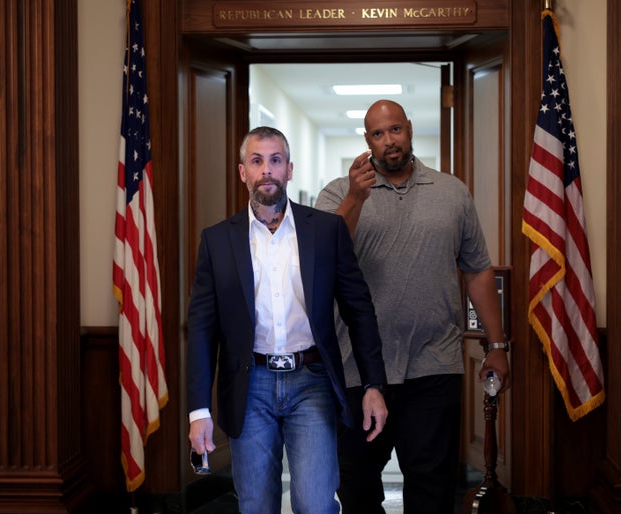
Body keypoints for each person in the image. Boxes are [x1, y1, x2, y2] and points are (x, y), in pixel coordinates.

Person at [314, 100, 511, 514]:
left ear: (409, 129)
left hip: (434, 365)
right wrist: (355, 197)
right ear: (367, 141)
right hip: (360, 370)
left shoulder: (452, 192)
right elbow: (321, 259)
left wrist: (497, 344)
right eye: (378, 134)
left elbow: (477, 271)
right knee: (358, 488)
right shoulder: (338, 192)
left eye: (395, 130)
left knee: (431, 489)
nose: (389, 141)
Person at [187, 126, 388, 514]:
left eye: (275, 160)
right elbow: (201, 329)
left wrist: (373, 383)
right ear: (242, 171)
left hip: (311, 382)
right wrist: (199, 411)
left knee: (316, 504)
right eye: (257, 161)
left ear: (289, 169)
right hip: (250, 386)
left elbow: (358, 309)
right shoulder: (216, 241)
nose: (267, 170)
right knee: (257, 504)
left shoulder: (326, 231)